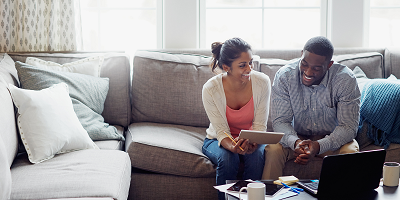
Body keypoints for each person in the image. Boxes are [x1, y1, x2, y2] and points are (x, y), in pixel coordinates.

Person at [262, 36, 360, 180]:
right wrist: (295, 142)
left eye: (316, 68)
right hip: (297, 137)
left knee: (350, 151)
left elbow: (348, 127)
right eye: (304, 64)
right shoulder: (285, 76)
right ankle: (269, 195)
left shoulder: (345, 80)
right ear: (301, 54)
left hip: (332, 139)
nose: (308, 72)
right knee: (273, 149)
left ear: (329, 65)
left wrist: (318, 146)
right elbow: (280, 122)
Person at [202, 37, 271, 200]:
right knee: (228, 158)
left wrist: (253, 142)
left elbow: (260, 125)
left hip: (251, 138)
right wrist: (233, 147)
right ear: (227, 67)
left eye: (250, 62)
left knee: (256, 157)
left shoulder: (262, 82)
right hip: (218, 140)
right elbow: (221, 131)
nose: (249, 68)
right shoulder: (211, 89)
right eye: (242, 65)